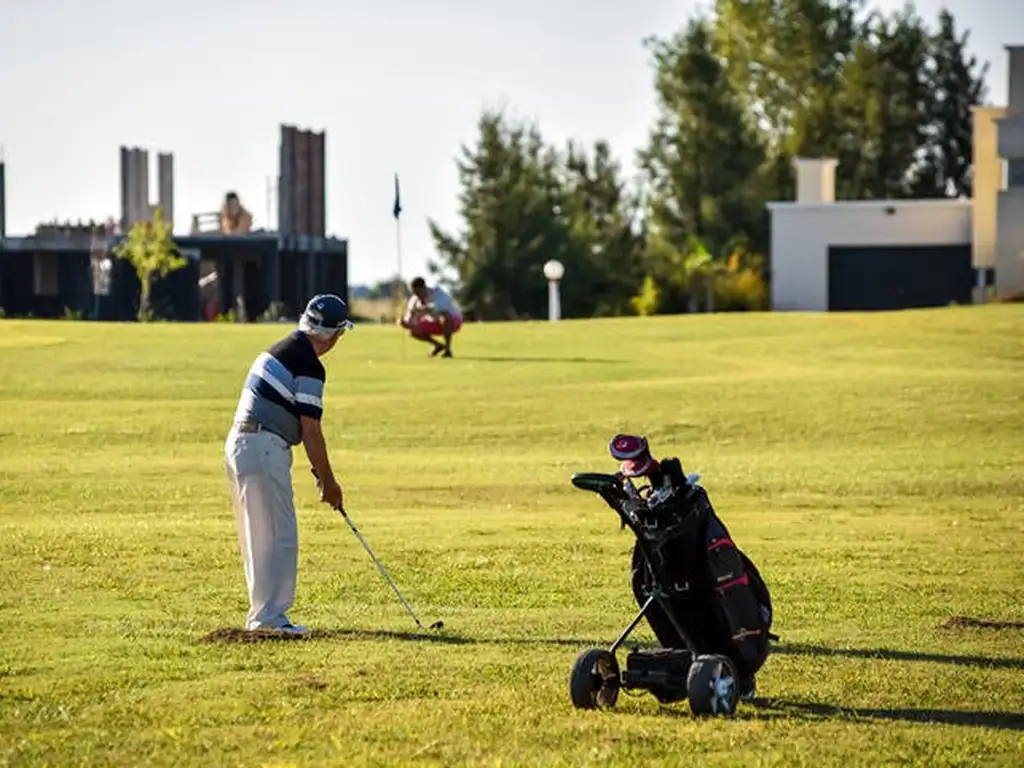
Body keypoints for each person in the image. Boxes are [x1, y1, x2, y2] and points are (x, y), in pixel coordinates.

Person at [224, 293, 353, 635]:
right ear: (334, 335)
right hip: (263, 446)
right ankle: (269, 619)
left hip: (241, 443)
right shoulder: (309, 364)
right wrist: (330, 483)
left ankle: (263, 616)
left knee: (260, 535)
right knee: (278, 535)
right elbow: (311, 430)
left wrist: (320, 473)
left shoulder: (281, 347)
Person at [399, 276, 463, 357]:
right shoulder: (414, 299)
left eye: (418, 293)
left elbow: (437, 307)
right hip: (434, 323)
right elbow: (409, 317)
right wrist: (405, 323)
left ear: (424, 288)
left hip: (453, 322)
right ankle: (438, 345)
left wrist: (421, 309)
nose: (417, 296)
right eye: (415, 293)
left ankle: (448, 349)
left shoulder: (437, 292)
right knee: (413, 331)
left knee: (445, 316)